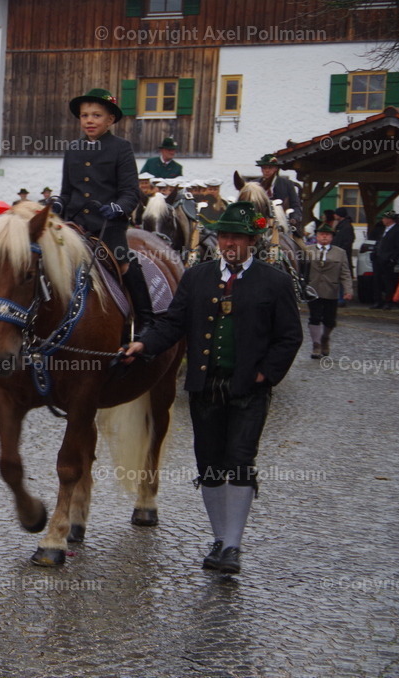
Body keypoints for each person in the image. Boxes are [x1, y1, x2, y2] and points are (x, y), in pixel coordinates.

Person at [122, 201, 302, 575]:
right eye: (223, 236)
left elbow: (289, 337)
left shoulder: (275, 281)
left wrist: (264, 375)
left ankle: (233, 545)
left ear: (250, 241)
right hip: (205, 385)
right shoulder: (197, 276)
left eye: (236, 236)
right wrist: (144, 344)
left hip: (248, 388)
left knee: (239, 461)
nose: (228, 242)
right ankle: (219, 539)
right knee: (209, 464)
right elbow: (173, 323)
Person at [54, 87, 151, 333]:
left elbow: (131, 192)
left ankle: (147, 321)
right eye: (85, 115)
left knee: (125, 263)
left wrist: (118, 208)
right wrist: (57, 204)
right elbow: (67, 192)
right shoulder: (72, 148)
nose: (89, 120)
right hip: (74, 226)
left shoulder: (121, 147)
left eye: (96, 115)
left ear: (110, 120)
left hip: (109, 226)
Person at [304, 220, 352, 358]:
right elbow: (301, 271)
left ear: (332, 237)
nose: (324, 237)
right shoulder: (307, 251)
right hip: (312, 290)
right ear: (317, 236)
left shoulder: (340, 253)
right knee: (314, 317)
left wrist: (348, 290)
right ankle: (316, 345)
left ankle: (325, 338)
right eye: (321, 234)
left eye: (327, 235)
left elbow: (345, 273)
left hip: (331, 291)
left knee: (330, 320)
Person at [370, 211, 399, 309]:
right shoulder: (383, 230)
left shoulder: (397, 231)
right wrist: (374, 253)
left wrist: (392, 259)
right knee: (377, 281)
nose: (383, 220)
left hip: (387, 260)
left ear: (390, 219)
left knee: (388, 282)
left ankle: (388, 302)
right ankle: (378, 301)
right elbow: (378, 243)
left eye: (384, 218)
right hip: (378, 259)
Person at [255, 154, 302, 230]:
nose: (267, 170)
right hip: (259, 225)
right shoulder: (255, 185)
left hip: (283, 225)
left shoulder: (287, 184)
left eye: (270, 168)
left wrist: (294, 218)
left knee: (298, 241)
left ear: (276, 168)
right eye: (264, 168)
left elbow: (295, 205)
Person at [331, 206, 355, 278]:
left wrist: (340, 251)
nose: (334, 215)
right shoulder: (340, 225)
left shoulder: (346, 227)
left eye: (336, 214)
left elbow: (348, 241)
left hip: (343, 255)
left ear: (340, 215)